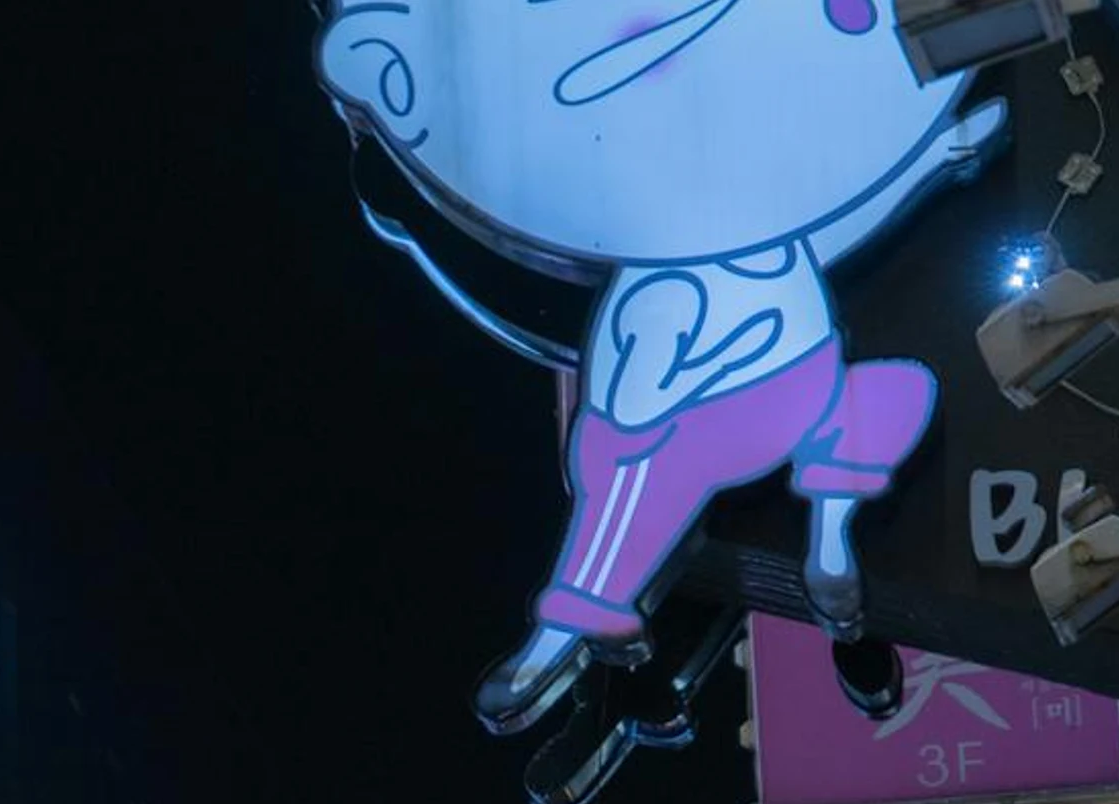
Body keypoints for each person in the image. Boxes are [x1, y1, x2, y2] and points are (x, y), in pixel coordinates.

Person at [317, 0, 1005, 731]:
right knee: (617, 532)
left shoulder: (764, 222)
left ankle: (829, 547)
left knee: (896, 396)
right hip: (686, 443)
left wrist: (935, 157)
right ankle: (546, 653)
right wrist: (640, 418)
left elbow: (844, 224)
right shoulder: (657, 282)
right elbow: (626, 413)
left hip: (804, 392)